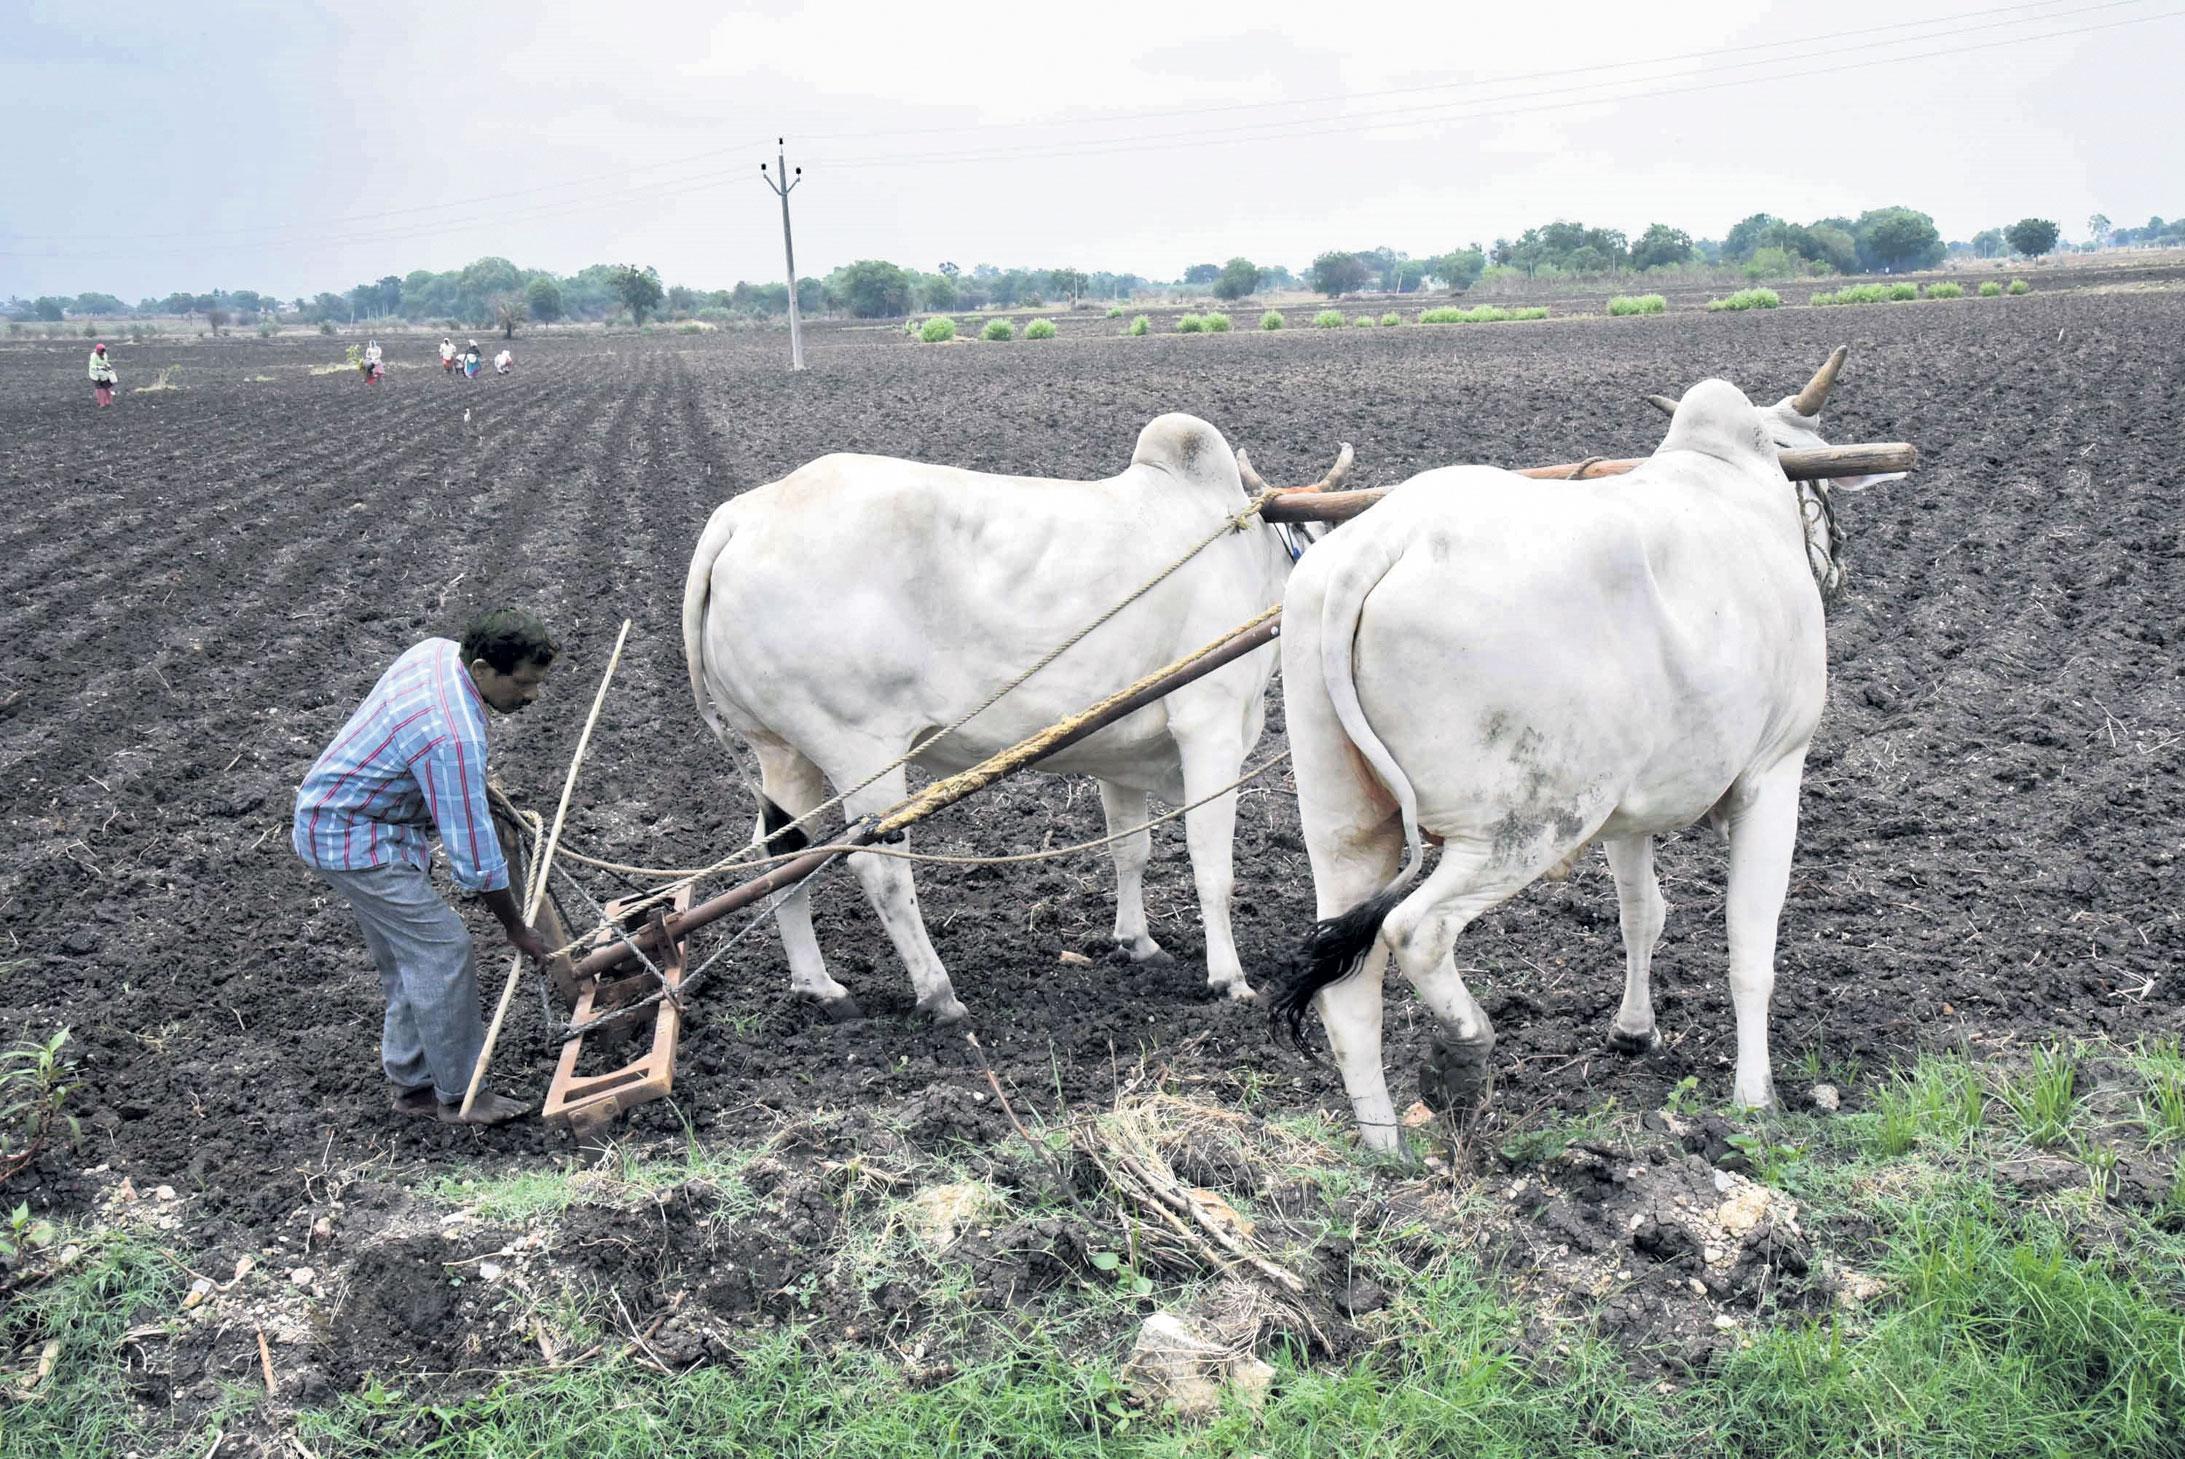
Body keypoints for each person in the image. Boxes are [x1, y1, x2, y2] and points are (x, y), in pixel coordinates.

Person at [293, 607, 558, 1125]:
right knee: (443, 949)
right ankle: (462, 1095)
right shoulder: (452, 737)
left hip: (344, 813)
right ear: (483, 669)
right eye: (523, 684)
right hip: (354, 838)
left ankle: (413, 1086)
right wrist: (515, 928)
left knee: (407, 956)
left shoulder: (436, 653)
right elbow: (474, 857)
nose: (532, 696)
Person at [89, 342, 118, 407]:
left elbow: (106, 363)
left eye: (103, 351)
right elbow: (92, 366)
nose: (102, 352)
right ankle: (101, 403)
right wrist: (101, 368)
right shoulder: (93, 356)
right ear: (98, 350)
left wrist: (109, 367)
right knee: (100, 389)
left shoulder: (105, 355)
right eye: (101, 351)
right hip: (95, 375)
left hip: (104, 374)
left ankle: (109, 402)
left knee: (107, 388)